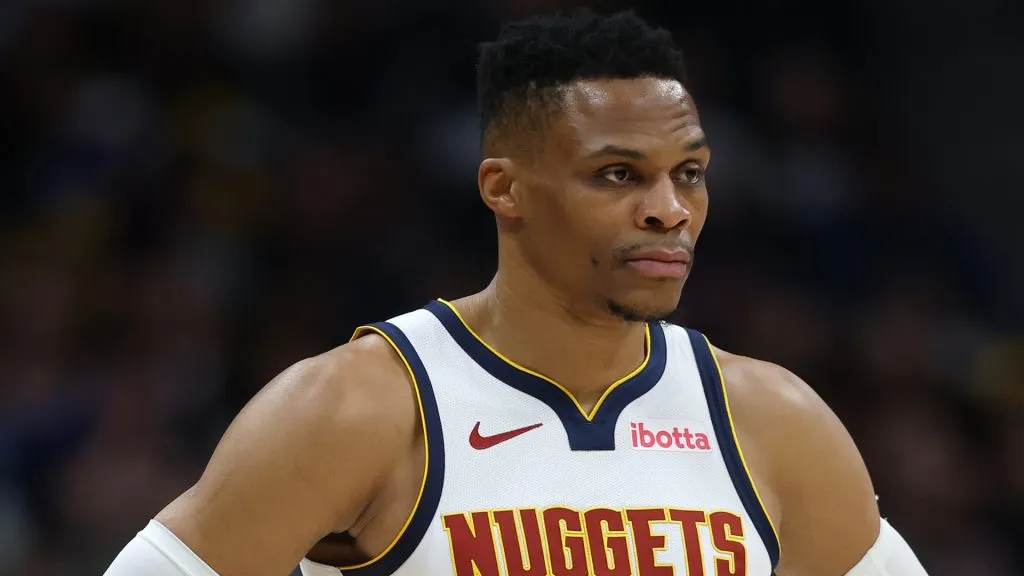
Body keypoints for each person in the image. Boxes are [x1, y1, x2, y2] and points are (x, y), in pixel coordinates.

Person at [104, 9, 929, 576]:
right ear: (505, 188)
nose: (669, 209)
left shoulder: (773, 418)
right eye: (618, 175)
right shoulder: (360, 406)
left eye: (690, 175)